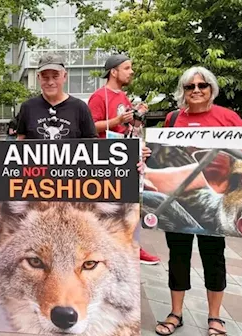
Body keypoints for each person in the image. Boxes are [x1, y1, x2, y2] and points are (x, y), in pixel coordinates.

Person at [152, 66, 242, 336]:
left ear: (211, 89)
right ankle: (175, 313)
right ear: (183, 91)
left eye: (202, 86)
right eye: (190, 87)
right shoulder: (172, 119)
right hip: (178, 198)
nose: (196, 91)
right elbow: (158, 154)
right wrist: (146, 150)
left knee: (213, 257)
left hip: (217, 200)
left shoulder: (228, 118)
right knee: (178, 256)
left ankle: (215, 317)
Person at [88, 54, 160, 265]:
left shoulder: (124, 97)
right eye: (127, 68)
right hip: (105, 160)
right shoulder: (99, 96)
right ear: (114, 71)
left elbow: (128, 130)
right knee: (106, 208)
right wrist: (117, 120)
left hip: (124, 157)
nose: (131, 72)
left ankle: (133, 246)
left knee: (129, 205)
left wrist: (137, 119)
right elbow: (90, 127)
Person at [16, 52, 97, 140]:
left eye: (55, 76)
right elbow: (20, 141)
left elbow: (92, 144)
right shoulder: (28, 107)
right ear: (38, 77)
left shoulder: (80, 107)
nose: (50, 82)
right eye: (45, 77)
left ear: (65, 76)